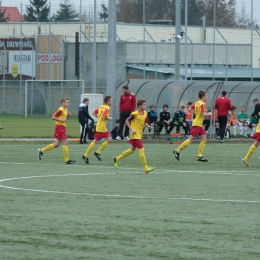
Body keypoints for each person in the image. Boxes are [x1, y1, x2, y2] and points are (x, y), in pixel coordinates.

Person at [113, 99, 155, 173]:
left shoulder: (145, 113)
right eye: (143, 105)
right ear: (139, 106)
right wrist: (132, 129)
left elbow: (144, 122)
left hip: (139, 135)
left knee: (132, 150)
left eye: (145, 105)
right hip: (135, 135)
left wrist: (149, 127)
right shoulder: (134, 114)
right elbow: (126, 121)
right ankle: (146, 168)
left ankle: (117, 158)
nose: (145, 106)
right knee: (141, 149)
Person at [173, 90, 211, 162]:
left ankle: (199, 156)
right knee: (190, 140)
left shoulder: (196, 103)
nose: (207, 96)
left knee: (204, 139)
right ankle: (177, 151)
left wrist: (196, 113)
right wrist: (208, 114)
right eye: (206, 95)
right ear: (202, 96)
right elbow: (204, 114)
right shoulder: (203, 104)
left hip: (199, 124)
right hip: (197, 124)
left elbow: (189, 109)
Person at [38, 97, 75, 164]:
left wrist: (68, 116)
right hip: (59, 127)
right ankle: (67, 160)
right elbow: (53, 117)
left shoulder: (65, 109)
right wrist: (61, 120)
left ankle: (42, 151)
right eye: (67, 102)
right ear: (62, 103)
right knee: (65, 143)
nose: (68, 103)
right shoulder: (60, 109)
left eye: (68, 102)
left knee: (57, 144)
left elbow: (65, 119)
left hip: (62, 127)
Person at [82, 96, 113, 164]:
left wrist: (99, 117)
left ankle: (97, 152)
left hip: (103, 127)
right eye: (111, 100)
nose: (112, 101)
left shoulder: (101, 106)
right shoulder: (107, 108)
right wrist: (109, 118)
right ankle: (85, 155)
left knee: (109, 140)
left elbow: (93, 113)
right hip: (100, 128)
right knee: (95, 141)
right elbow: (104, 116)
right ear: (108, 101)